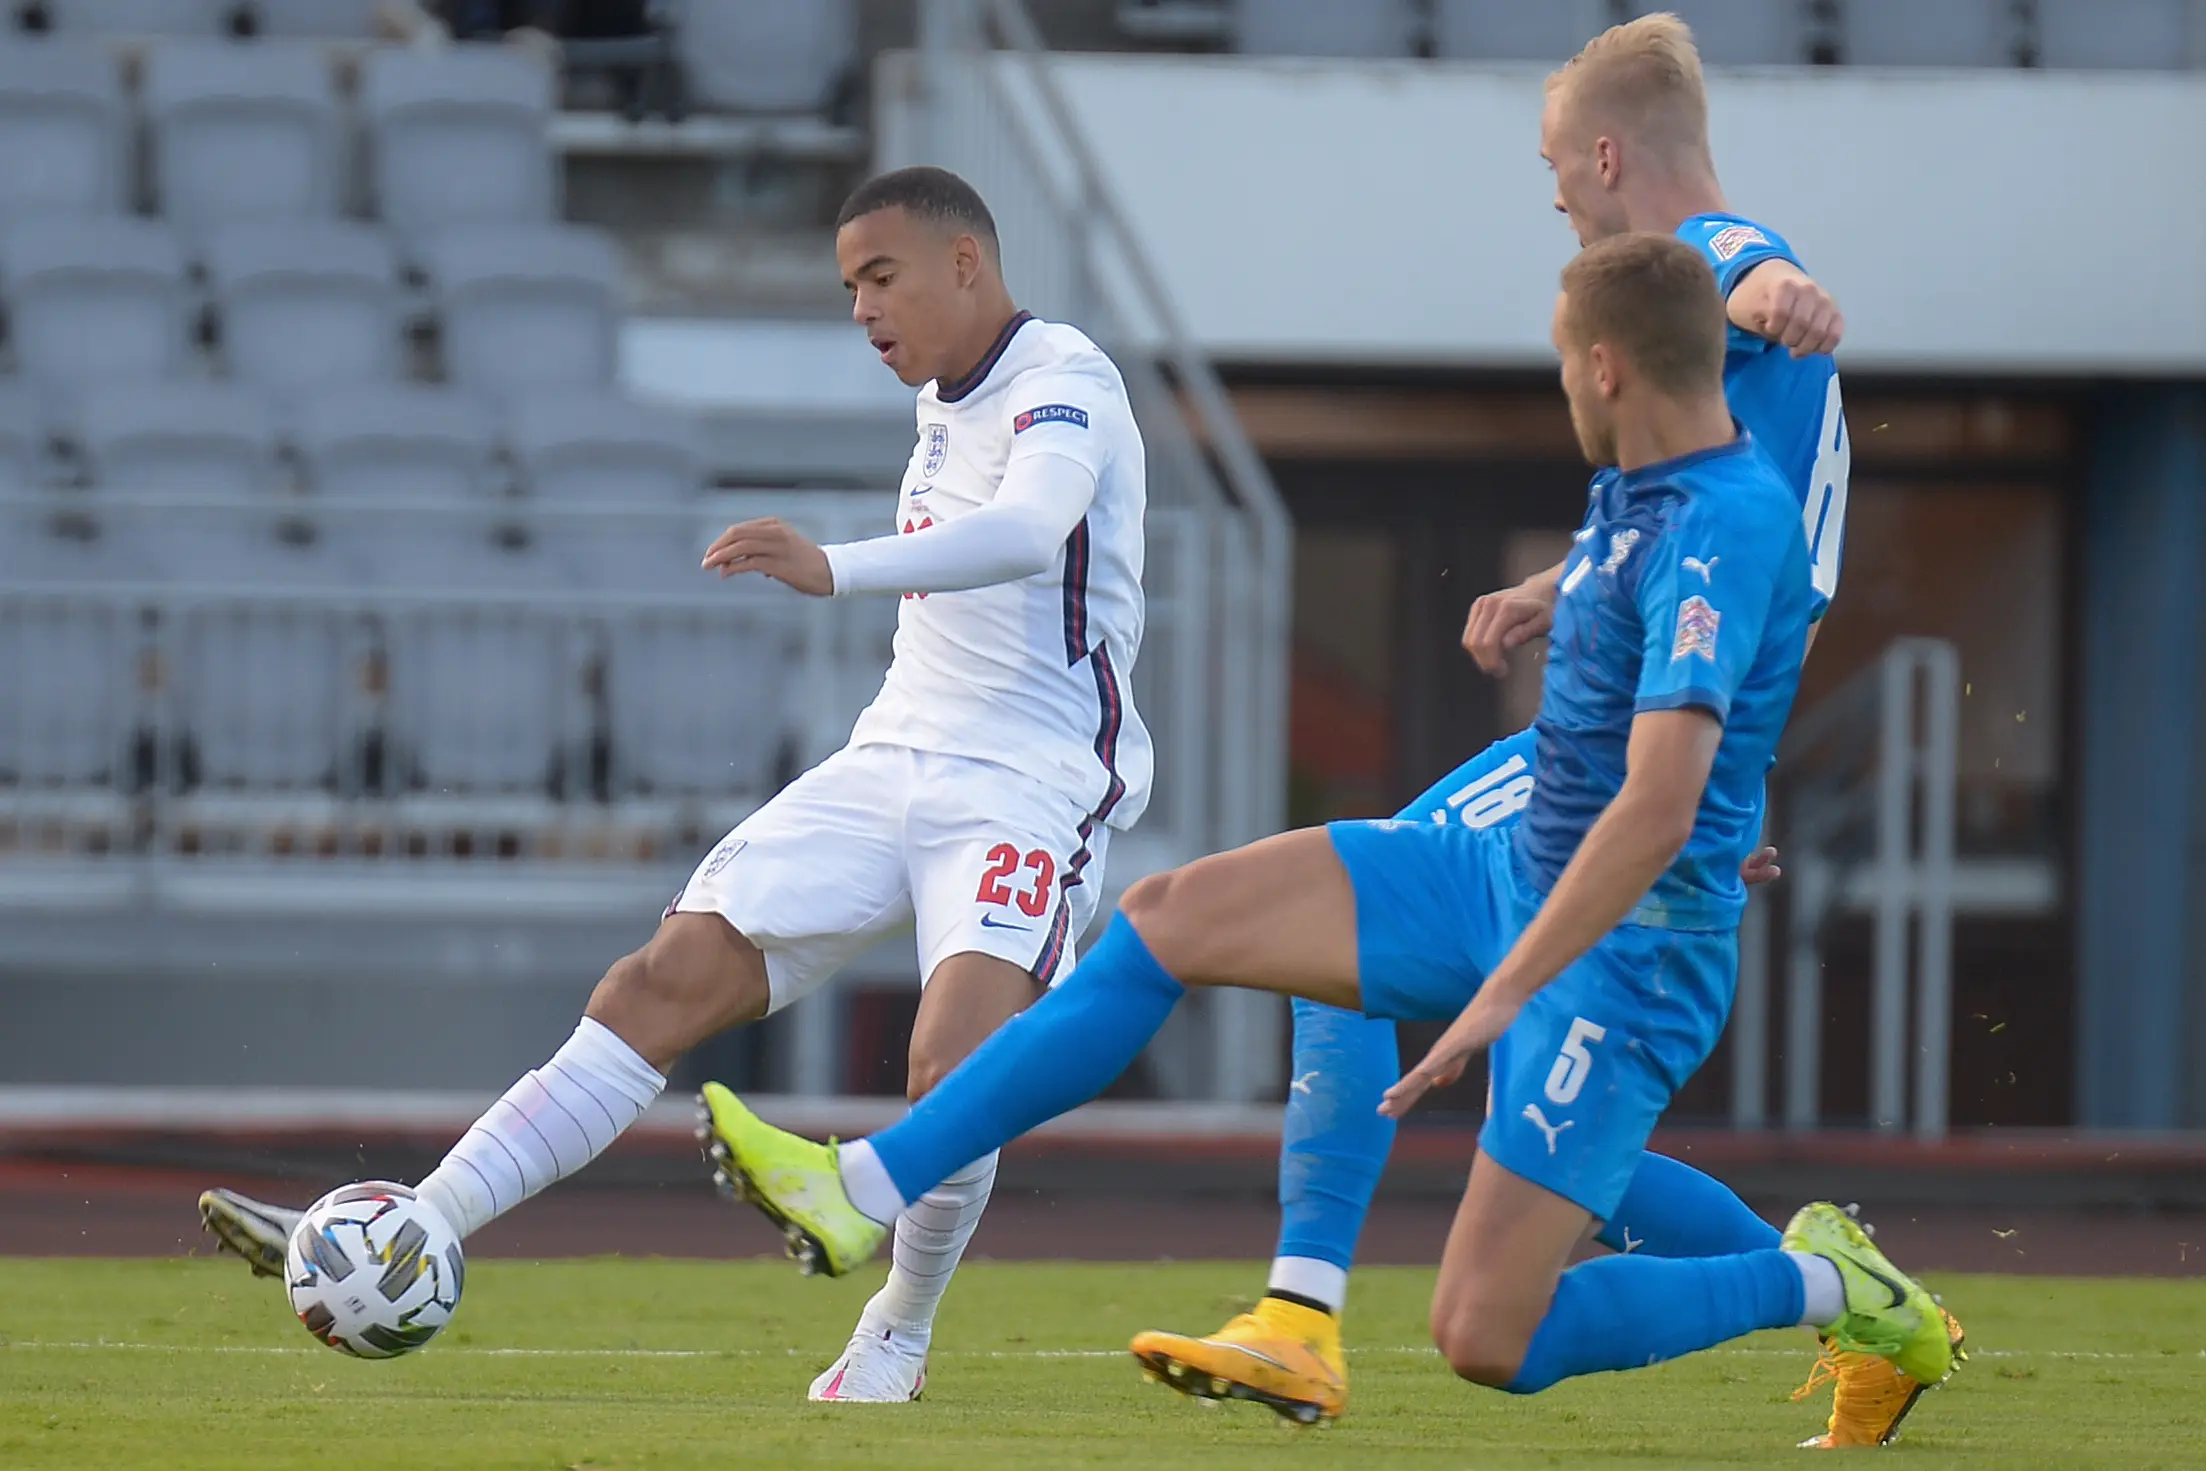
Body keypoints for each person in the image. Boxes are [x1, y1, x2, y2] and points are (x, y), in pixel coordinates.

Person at [698, 232, 1957, 1426]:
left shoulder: (1723, 522)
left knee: (1487, 1336)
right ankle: (866, 1187)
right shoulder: (1638, 488)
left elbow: (1666, 791)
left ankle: (1827, 1281)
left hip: (1623, 950)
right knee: (1168, 921)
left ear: (1606, 367)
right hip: (1498, 872)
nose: (1564, 383)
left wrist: (1495, 994)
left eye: (1565, 362)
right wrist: (1543, 603)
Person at [197, 165, 1154, 1406]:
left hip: (1030, 786)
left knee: (953, 1070)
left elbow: (1029, 534)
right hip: (890, 757)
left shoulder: (1066, 381)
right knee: (658, 979)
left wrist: (834, 566)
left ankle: (896, 1331)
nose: (862, 308)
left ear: (964, 263)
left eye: (881, 277)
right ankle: (413, 1227)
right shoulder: (936, 403)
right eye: (847, 286)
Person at [1133, 12, 1956, 1451]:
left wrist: (1788, 288)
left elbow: (1756, 274)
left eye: (1552, 167)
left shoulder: (1715, 257)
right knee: (1517, 1081)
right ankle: (1849, 1290)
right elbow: (1702, 539)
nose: (1552, 198)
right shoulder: (1708, 381)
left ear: (1601, 150)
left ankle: (1298, 1311)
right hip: (1677, 743)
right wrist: (1549, 588)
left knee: (1356, 929)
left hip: (1655, 755)